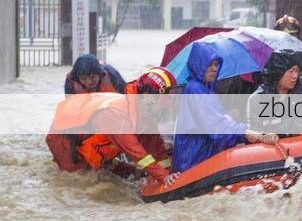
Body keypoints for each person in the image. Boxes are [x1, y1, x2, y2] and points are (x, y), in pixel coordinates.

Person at [45, 67, 177, 183]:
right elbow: (135, 151)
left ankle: (114, 167)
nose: (164, 108)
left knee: (120, 172)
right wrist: (162, 176)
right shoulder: (117, 115)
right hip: (64, 139)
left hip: (88, 134)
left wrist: (167, 170)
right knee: (79, 180)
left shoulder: (143, 111)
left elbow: (154, 146)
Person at [172, 42, 278, 173]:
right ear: (198, 65)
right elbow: (217, 126)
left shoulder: (206, 89)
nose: (214, 69)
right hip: (194, 159)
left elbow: (219, 120)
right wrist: (245, 132)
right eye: (209, 64)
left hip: (202, 154)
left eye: (216, 64)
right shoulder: (195, 89)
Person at [247, 49, 302, 137]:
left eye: (296, 71)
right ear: (278, 73)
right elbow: (253, 133)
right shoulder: (258, 99)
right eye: (291, 71)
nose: (295, 76)